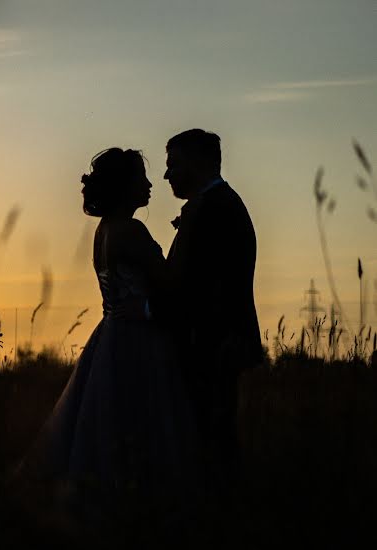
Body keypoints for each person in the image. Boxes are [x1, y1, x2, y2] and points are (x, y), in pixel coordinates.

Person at [20, 148, 197, 510]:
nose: (149, 185)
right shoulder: (130, 230)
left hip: (111, 336)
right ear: (124, 185)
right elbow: (171, 283)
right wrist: (187, 239)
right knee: (145, 425)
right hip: (138, 340)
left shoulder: (104, 231)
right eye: (140, 178)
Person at [156, 129, 263, 494]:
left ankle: (221, 521)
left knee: (212, 438)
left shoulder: (217, 208)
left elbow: (210, 287)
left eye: (174, 165)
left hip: (213, 345)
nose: (167, 175)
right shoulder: (215, 205)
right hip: (208, 344)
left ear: (200, 163)